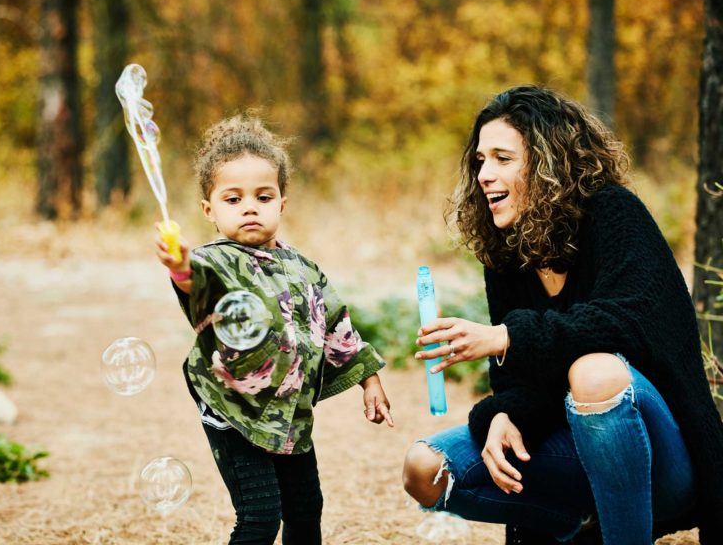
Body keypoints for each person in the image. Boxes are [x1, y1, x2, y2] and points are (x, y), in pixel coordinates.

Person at [402, 85, 723, 544]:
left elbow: (627, 324)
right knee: (425, 469)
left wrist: (506, 337)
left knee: (595, 371)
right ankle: (576, 531)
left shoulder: (615, 213)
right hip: (578, 453)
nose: (484, 175)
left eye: (502, 159)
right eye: (479, 161)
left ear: (549, 162)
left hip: (670, 463)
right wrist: (505, 413)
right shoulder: (506, 250)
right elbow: (523, 382)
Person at [155, 113, 394, 544]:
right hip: (235, 412)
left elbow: (336, 325)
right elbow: (197, 284)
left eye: (263, 197)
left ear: (282, 202)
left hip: (289, 414)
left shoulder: (303, 268)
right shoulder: (216, 261)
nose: (250, 207)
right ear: (209, 209)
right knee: (260, 517)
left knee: (306, 512)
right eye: (233, 199)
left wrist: (369, 379)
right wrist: (179, 266)